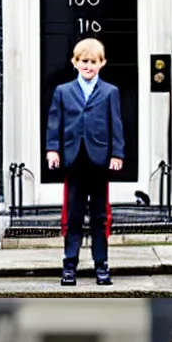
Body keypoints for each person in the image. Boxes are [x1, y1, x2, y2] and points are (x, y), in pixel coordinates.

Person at [46, 38, 125, 286]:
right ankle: (70, 265)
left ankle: (102, 266)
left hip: (100, 159)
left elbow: (116, 124)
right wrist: (52, 150)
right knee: (74, 215)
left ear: (102, 64)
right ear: (75, 62)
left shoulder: (110, 92)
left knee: (100, 215)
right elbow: (54, 123)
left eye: (92, 62)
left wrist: (117, 154)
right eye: (83, 61)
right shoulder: (63, 91)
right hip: (74, 158)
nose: (88, 66)